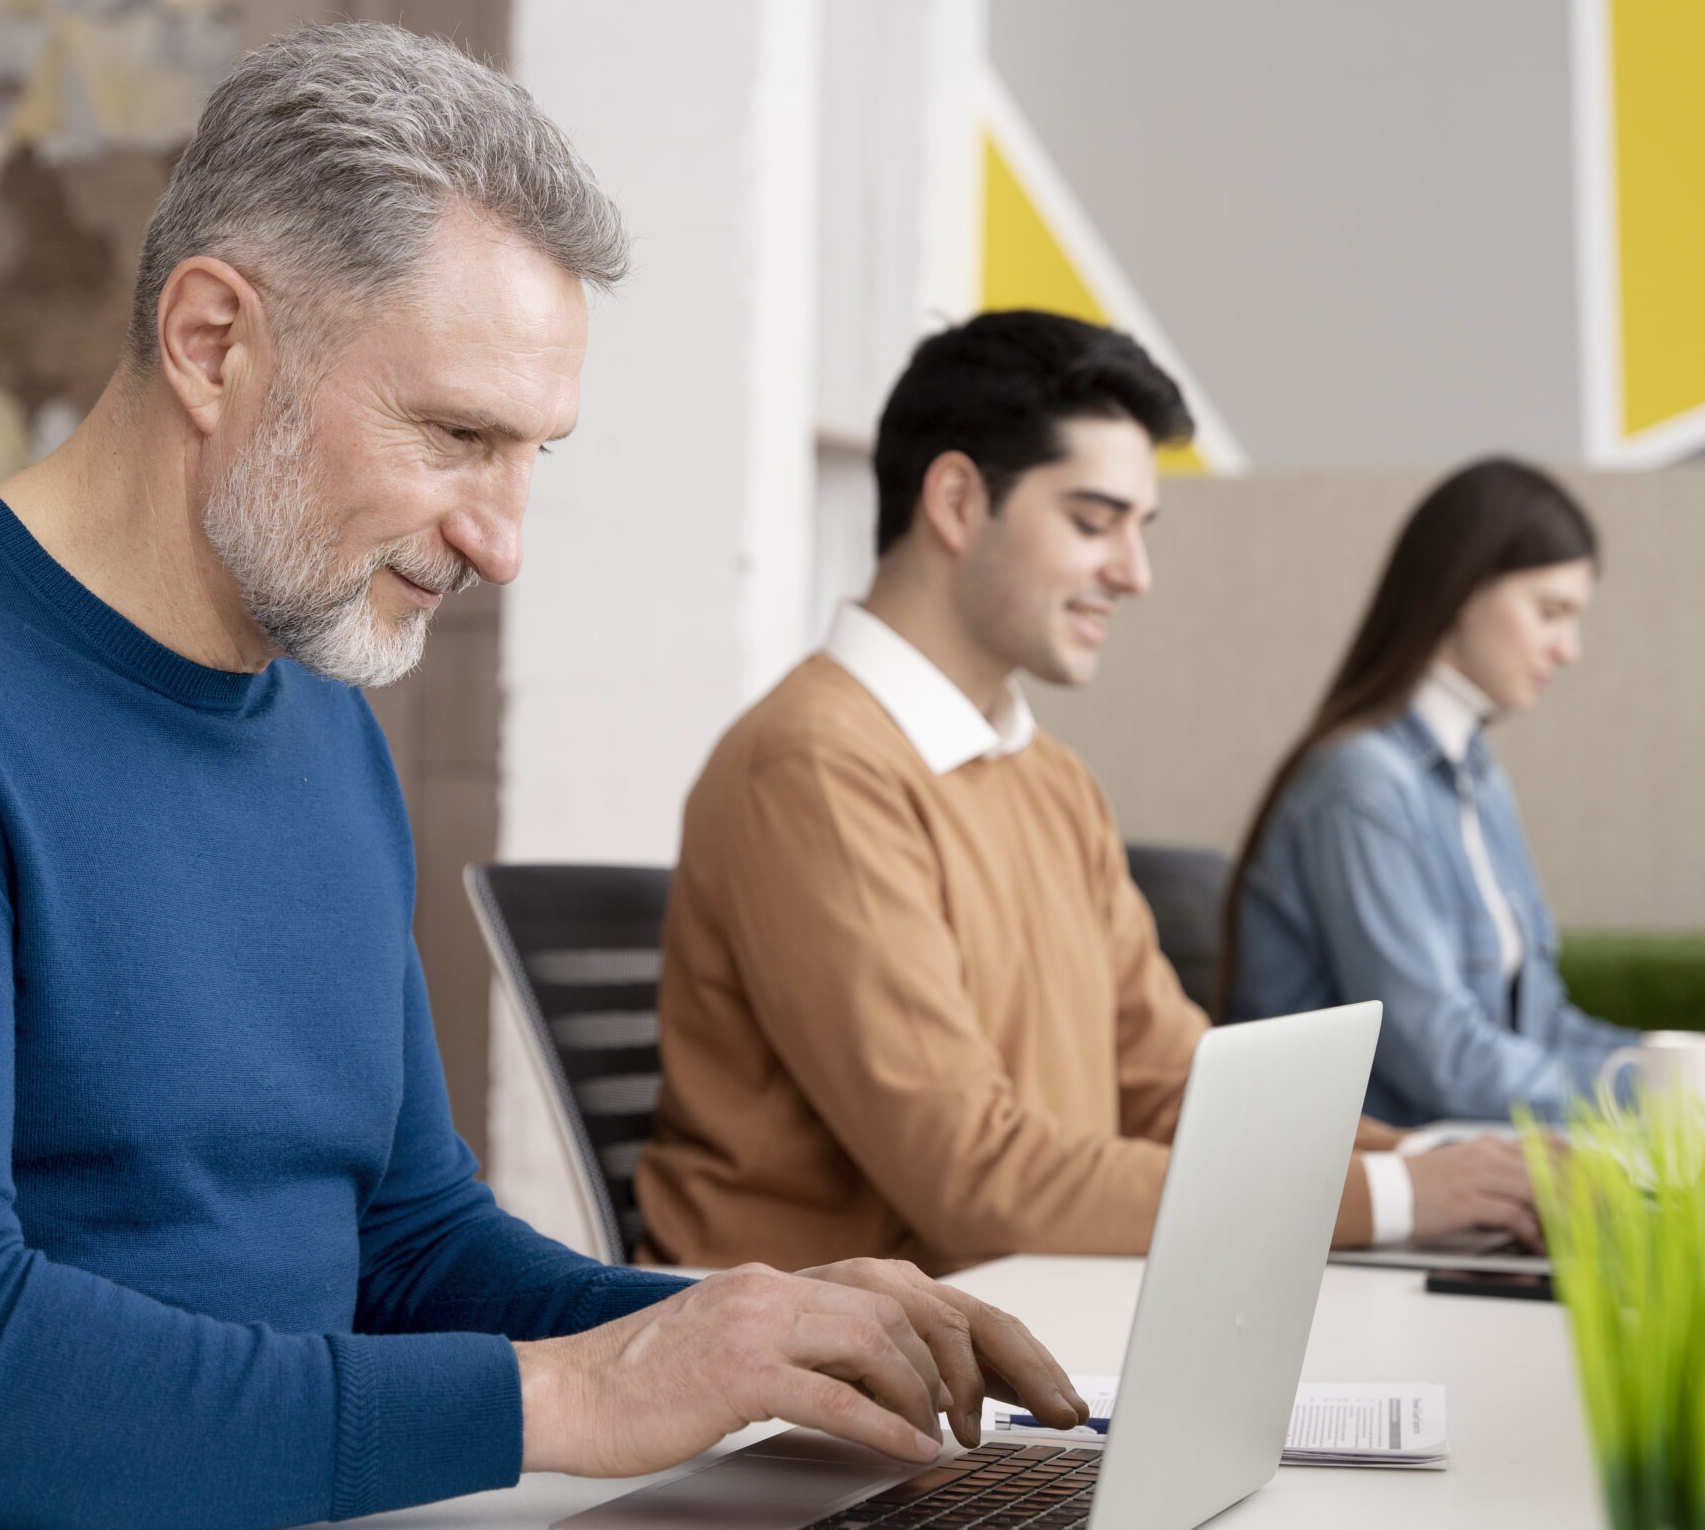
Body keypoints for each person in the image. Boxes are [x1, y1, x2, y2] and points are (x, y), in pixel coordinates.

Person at [0, 24, 1083, 1530]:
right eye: (456, 435)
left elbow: (409, 1242)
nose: (503, 542)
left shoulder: (320, 722)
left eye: (533, 456)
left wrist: (732, 1332)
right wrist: (570, 1400)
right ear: (215, 341)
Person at [635, 313, 1541, 1277]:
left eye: (1139, 531)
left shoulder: (1051, 780)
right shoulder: (815, 765)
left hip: (1027, 1320)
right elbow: (973, 1175)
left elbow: (1168, 1087)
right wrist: (1395, 1199)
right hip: (818, 1373)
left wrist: (1451, 1167)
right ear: (954, 500)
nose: (1135, 573)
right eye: (1093, 521)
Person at [1225, 457, 1640, 1126]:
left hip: (1465, 1162)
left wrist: (1681, 1068)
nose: (1570, 649)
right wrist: (1654, 1097)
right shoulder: (1360, 784)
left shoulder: (1476, 774)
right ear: (1462, 590)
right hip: (1368, 1185)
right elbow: (1438, 1059)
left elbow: (1540, 1027)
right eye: (1551, 611)